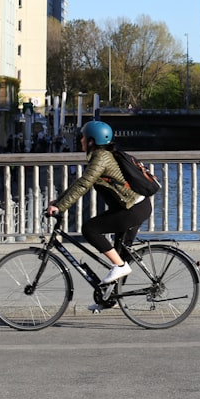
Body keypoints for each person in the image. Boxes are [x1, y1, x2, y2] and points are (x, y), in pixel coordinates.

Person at [46, 120, 152, 285]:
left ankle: (120, 267)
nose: (80, 140)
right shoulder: (104, 156)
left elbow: (83, 185)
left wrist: (59, 207)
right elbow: (80, 182)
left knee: (90, 229)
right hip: (137, 206)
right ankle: (111, 299)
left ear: (91, 141)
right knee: (120, 253)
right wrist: (59, 200)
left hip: (132, 209)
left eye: (83, 137)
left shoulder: (100, 158)